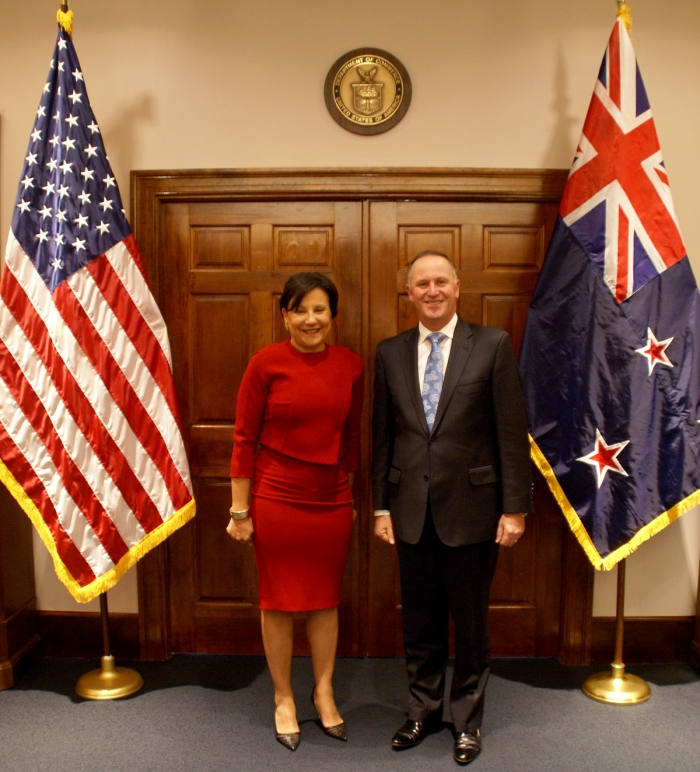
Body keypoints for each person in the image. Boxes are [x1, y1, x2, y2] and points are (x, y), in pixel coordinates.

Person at [372, 251, 532, 765]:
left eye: (441, 281)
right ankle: (421, 711)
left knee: (470, 624)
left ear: (458, 287)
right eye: (422, 284)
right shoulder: (390, 353)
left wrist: (515, 509)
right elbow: (382, 439)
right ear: (410, 293)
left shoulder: (492, 345)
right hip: (410, 511)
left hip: (475, 513)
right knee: (418, 622)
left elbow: (511, 434)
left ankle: (467, 720)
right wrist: (380, 508)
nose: (432, 290)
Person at [228, 272, 363, 752]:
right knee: (279, 602)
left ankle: (323, 690)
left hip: (330, 499)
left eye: (320, 310)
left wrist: (347, 497)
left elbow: (349, 441)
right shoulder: (265, 364)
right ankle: (284, 696)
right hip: (277, 496)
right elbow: (244, 439)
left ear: (333, 315)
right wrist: (239, 509)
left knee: (325, 600)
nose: (311, 319)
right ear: (284, 314)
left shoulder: (350, 365)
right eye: (300, 310)